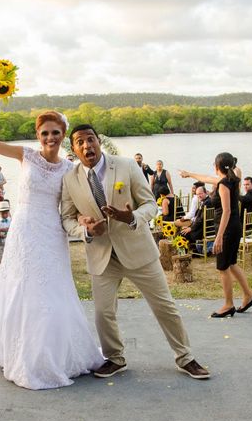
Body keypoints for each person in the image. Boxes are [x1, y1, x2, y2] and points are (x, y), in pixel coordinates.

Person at [0, 96, 105, 390]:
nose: (50, 138)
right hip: (25, 231)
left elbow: (76, 203)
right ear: (38, 136)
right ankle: (21, 349)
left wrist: (87, 220)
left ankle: (57, 353)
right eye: (44, 133)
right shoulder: (25, 156)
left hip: (52, 232)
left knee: (53, 288)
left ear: (63, 136)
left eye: (55, 133)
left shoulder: (69, 169)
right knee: (23, 287)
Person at [62, 124, 209, 380]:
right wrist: (85, 231)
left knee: (165, 307)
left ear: (99, 141)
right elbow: (66, 218)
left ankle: (185, 357)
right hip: (102, 255)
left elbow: (150, 204)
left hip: (138, 250)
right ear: (74, 149)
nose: (87, 146)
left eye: (91, 139)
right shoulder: (69, 178)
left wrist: (131, 218)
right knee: (103, 313)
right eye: (80, 142)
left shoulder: (127, 165)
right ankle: (115, 358)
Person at [180, 153, 252, 318]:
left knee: (223, 267)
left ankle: (228, 305)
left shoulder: (223, 184)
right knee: (232, 264)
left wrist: (219, 236)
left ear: (217, 167)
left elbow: (227, 210)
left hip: (227, 228)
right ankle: (248, 296)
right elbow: (207, 178)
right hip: (234, 225)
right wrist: (189, 174)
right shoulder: (233, 178)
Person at [0, 200, 12, 269]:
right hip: (1, 244)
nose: (5, 215)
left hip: (10, 244)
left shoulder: (11, 220)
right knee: (0, 260)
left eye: (6, 213)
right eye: (3, 213)